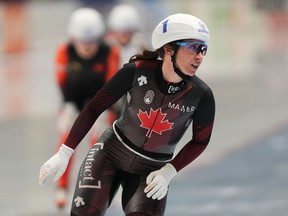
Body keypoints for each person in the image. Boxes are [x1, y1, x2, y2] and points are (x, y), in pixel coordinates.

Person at [39, 13, 215, 216]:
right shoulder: (137, 71)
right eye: (193, 47)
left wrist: (169, 171)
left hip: (150, 171)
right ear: (169, 48)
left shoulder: (201, 96)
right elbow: (94, 108)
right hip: (109, 155)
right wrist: (65, 152)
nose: (200, 56)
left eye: (204, 49)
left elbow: (200, 141)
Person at [53, 7, 120, 208]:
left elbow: (112, 83)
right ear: (73, 38)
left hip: (100, 102)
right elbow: (62, 82)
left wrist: (107, 110)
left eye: (92, 42)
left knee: (99, 145)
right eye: (83, 42)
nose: (87, 47)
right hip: (73, 101)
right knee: (66, 141)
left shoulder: (111, 51)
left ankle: (96, 188)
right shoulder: (64, 51)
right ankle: (62, 187)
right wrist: (67, 107)